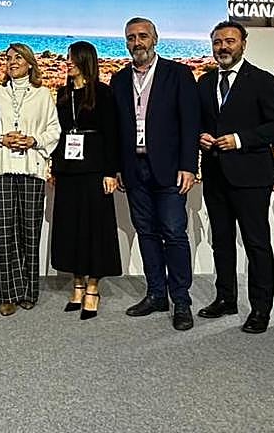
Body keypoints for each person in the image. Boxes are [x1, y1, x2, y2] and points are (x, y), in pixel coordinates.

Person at [196, 20, 274, 334]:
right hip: (215, 175)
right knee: (221, 242)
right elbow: (199, 122)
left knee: (256, 244)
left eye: (229, 41)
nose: (223, 47)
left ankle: (261, 309)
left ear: (243, 44)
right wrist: (200, 136)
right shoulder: (205, 82)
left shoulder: (262, 80)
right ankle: (226, 298)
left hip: (251, 176)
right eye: (218, 42)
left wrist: (239, 139)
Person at [110, 17, 200, 330]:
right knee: (146, 232)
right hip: (134, 168)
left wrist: (189, 165)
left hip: (170, 169)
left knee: (174, 233)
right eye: (131, 37)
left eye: (143, 36)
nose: (137, 42)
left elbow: (190, 123)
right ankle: (156, 294)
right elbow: (115, 129)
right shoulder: (119, 79)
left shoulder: (178, 74)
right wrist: (117, 168)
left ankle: (181, 300)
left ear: (155, 39)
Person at [0, 43, 61, 316]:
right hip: (1, 166)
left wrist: (33, 140)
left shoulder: (43, 95)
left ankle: (28, 291)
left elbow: (54, 131)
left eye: (18, 57)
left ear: (30, 63)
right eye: (9, 58)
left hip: (32, 167)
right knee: (2, 232)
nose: (12, 62)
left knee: (30, 230)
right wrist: (0, 139)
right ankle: (5, 293)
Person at [50, 41, 121, 320]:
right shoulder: (63, 94)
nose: (67, 63)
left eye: (72, 58)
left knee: (94, 229)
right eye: (67, 58)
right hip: (67, 170)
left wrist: (110, 172)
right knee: (71, 228)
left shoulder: (103, 93)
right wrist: (55, 167)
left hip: (95, 170)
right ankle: (77, 284)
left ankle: (93, 287)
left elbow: (112, 134)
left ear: (85, 61)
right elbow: (57, 133)